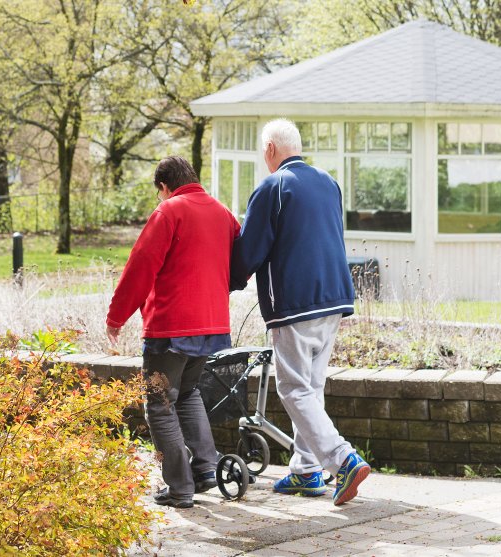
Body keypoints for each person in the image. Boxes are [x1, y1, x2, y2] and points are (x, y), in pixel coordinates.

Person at [230, 118, 370, 506]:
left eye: (263, 152)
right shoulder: (328, 182)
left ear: (271, 149)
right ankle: (306, 471)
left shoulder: (273, 187)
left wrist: (228, 279)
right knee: (311, 388)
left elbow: (249, 251)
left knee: (292, 389)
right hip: (334, 299)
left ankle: (342, 459)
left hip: (295, 302)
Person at [106, 156, 241, 509]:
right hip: (211, 325)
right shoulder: (223, 213)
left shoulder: (170, 212)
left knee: (160, 405)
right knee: (188, 392)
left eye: (159, 194)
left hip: (170, 329)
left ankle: (180, 488)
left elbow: (140, 267)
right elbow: (240, 259)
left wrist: (116, 316)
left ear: (165, 188)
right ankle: (207, 469)